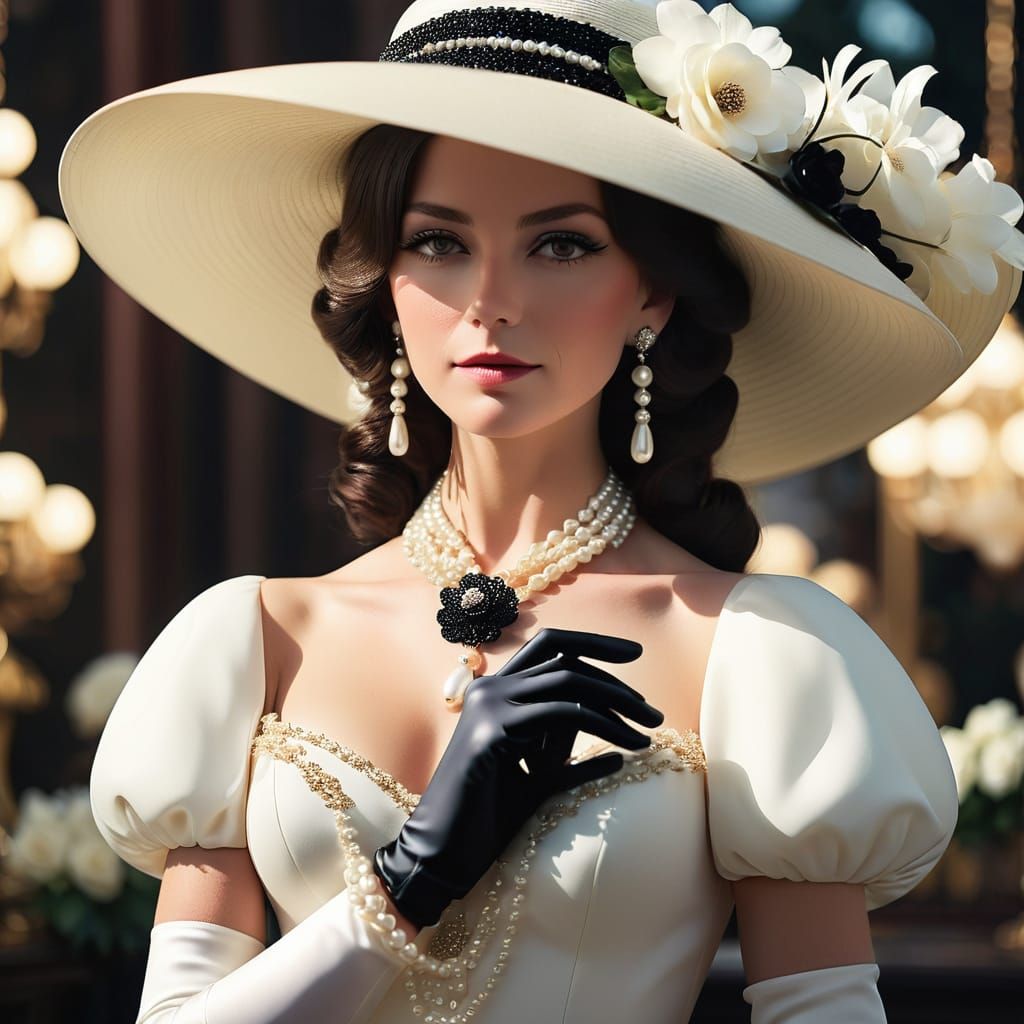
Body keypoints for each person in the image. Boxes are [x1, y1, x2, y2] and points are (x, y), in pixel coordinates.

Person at [58, 1, 1022, 1022]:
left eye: (559, 245)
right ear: (382, 280)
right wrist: (413, 873)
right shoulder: (250, 642)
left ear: (651, 293)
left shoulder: (762, 653)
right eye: (437, 242)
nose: (490, 300)